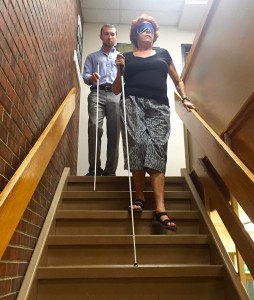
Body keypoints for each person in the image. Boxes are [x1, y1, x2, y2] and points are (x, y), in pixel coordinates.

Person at [112, 15, 196, 231]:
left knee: (157, 150)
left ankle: (160, 209)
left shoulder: (163, 54)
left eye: (150, 29)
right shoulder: (126, 57)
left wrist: (185, 98)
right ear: (136, 34)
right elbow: (115, 90)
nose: (147, 31)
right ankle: (140, 197)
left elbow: (178, 80)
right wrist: (120, 69)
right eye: (143, 28)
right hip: (131, 103)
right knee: (138, 145)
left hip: (159, 106)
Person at [83, 24, 120, 176]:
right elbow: (85, 76)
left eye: (112, 34)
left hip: (116, 94)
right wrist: (91, 77)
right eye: (106, 34)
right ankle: (94, 169)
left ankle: (110, 171)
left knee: (114, 132)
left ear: (115, 37)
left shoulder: (121, 58)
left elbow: (126, 78)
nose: (109, 36)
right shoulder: (92, 57)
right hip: (96, 92)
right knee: (94, 128)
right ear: (101, 36)